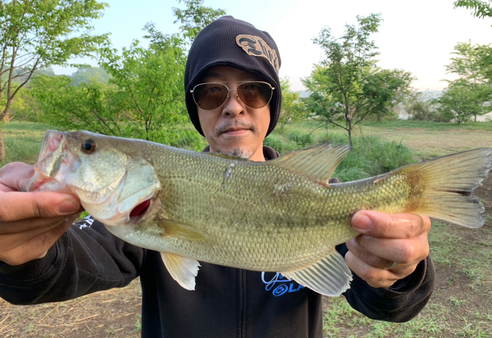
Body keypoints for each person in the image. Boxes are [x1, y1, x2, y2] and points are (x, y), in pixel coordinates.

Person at [0, 16, 434, 337]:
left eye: (254, 90)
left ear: (271, 105)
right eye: (211, 92)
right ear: (197, 110)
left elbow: (387, 303)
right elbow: (63, 268)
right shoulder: (133, 217)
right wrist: (20, 253)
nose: (233, 106)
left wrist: (399, 272)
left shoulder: (324, 197)